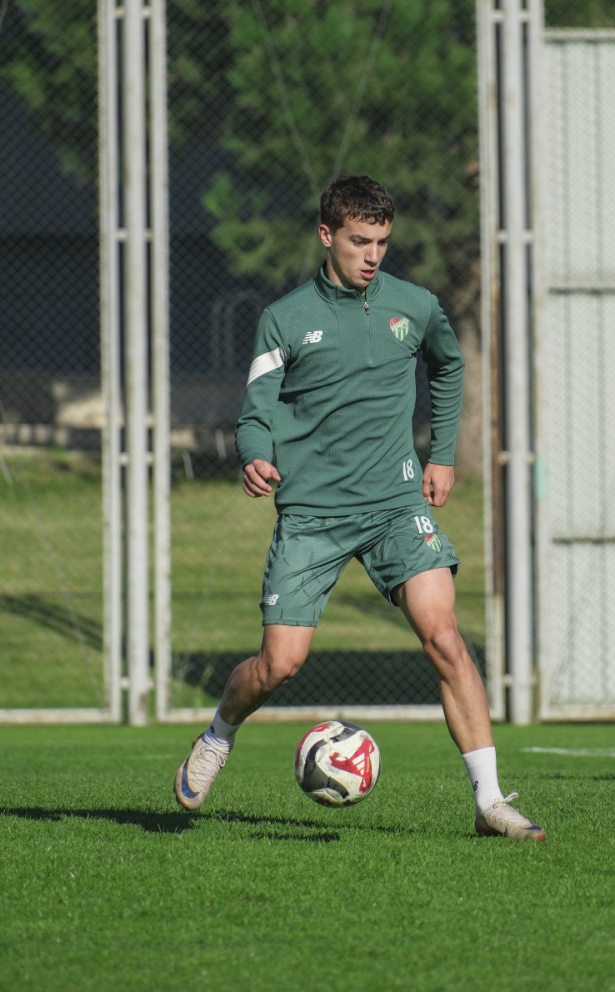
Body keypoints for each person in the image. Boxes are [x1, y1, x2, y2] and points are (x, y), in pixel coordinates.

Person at [174, 174, 544, 840]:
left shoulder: (414, 306)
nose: (372, 255)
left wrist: (441, 455)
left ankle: (490, 800)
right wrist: (254, 455)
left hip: (394, 505)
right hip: (312, 514)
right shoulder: (285, 318)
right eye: (358, 241)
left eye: (381, 242)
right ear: (327, 235)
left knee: (445, 638)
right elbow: (255, 412)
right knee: (279, 665)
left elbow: (449, 366)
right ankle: (219, 733)